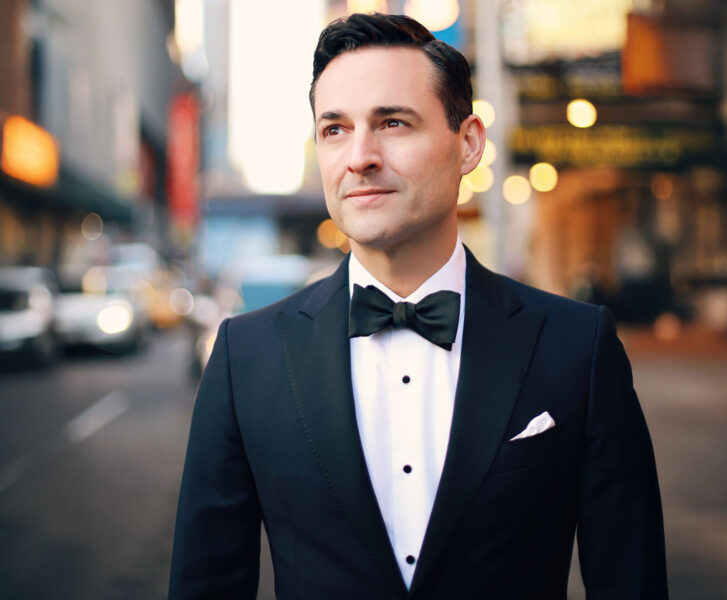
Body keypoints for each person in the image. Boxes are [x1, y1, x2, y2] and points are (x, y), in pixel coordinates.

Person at [169, 13, 668, 600]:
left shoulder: (577, 347)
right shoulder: (243, 358)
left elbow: (630, 581)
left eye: (394, 123)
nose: (360, 156)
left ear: (469, 143)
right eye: (335, 129)